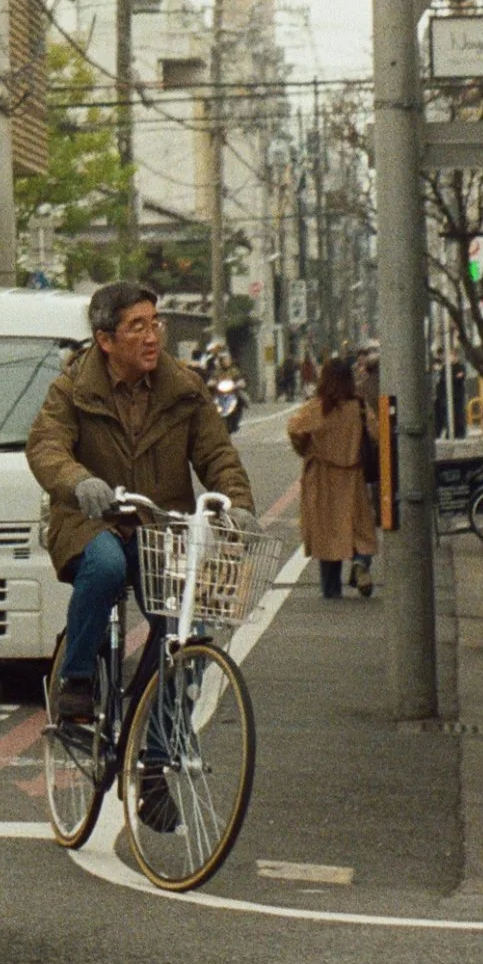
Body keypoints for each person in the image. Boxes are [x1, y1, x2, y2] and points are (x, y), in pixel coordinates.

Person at [27, 278, 257, 746]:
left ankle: (157, 748)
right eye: (137, 327)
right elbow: (47, 446)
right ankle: (77, 681)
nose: (152, 336)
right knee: (107, 566)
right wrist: (77, 482)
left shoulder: (185, 388)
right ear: (105, 340)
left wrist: (237, 506)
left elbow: (218, 456)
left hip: (158, 527)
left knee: (188, 622)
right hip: (90, 521)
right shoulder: (70, 389)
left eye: (156, 323)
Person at [288, 352, 377, 598]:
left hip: (322, 477)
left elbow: (294, 429)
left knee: (327, 534)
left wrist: (306, 449)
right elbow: (376, 434)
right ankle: (360, 563)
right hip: (353, 477)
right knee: (359, 528)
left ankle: (331, 589)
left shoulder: (317, 408)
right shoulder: (357, 407)